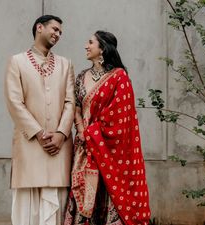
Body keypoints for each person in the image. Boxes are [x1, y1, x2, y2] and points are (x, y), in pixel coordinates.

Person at [64, 31, 151, 225]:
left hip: (110, 149)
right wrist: (80, 131)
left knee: (109, 191)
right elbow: (77, 107)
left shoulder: (119, 77)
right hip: (84, 147)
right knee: (84, 191)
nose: (86, 46)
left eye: (90, 42)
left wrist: (91, 133)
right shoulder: (81, 77)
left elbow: (119, 118)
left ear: (102, 48)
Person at [4, 15, 75, 225]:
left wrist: (62, 134)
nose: (57, 34)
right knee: (27, 205)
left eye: (60, 32)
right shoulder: (17, 61)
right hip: (30, 144)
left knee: (56, 202)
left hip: (59, 148)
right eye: (54, 29)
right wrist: (39, 133)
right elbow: (14, 101)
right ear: (39, 28)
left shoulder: (65, 64)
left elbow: (71, 102)